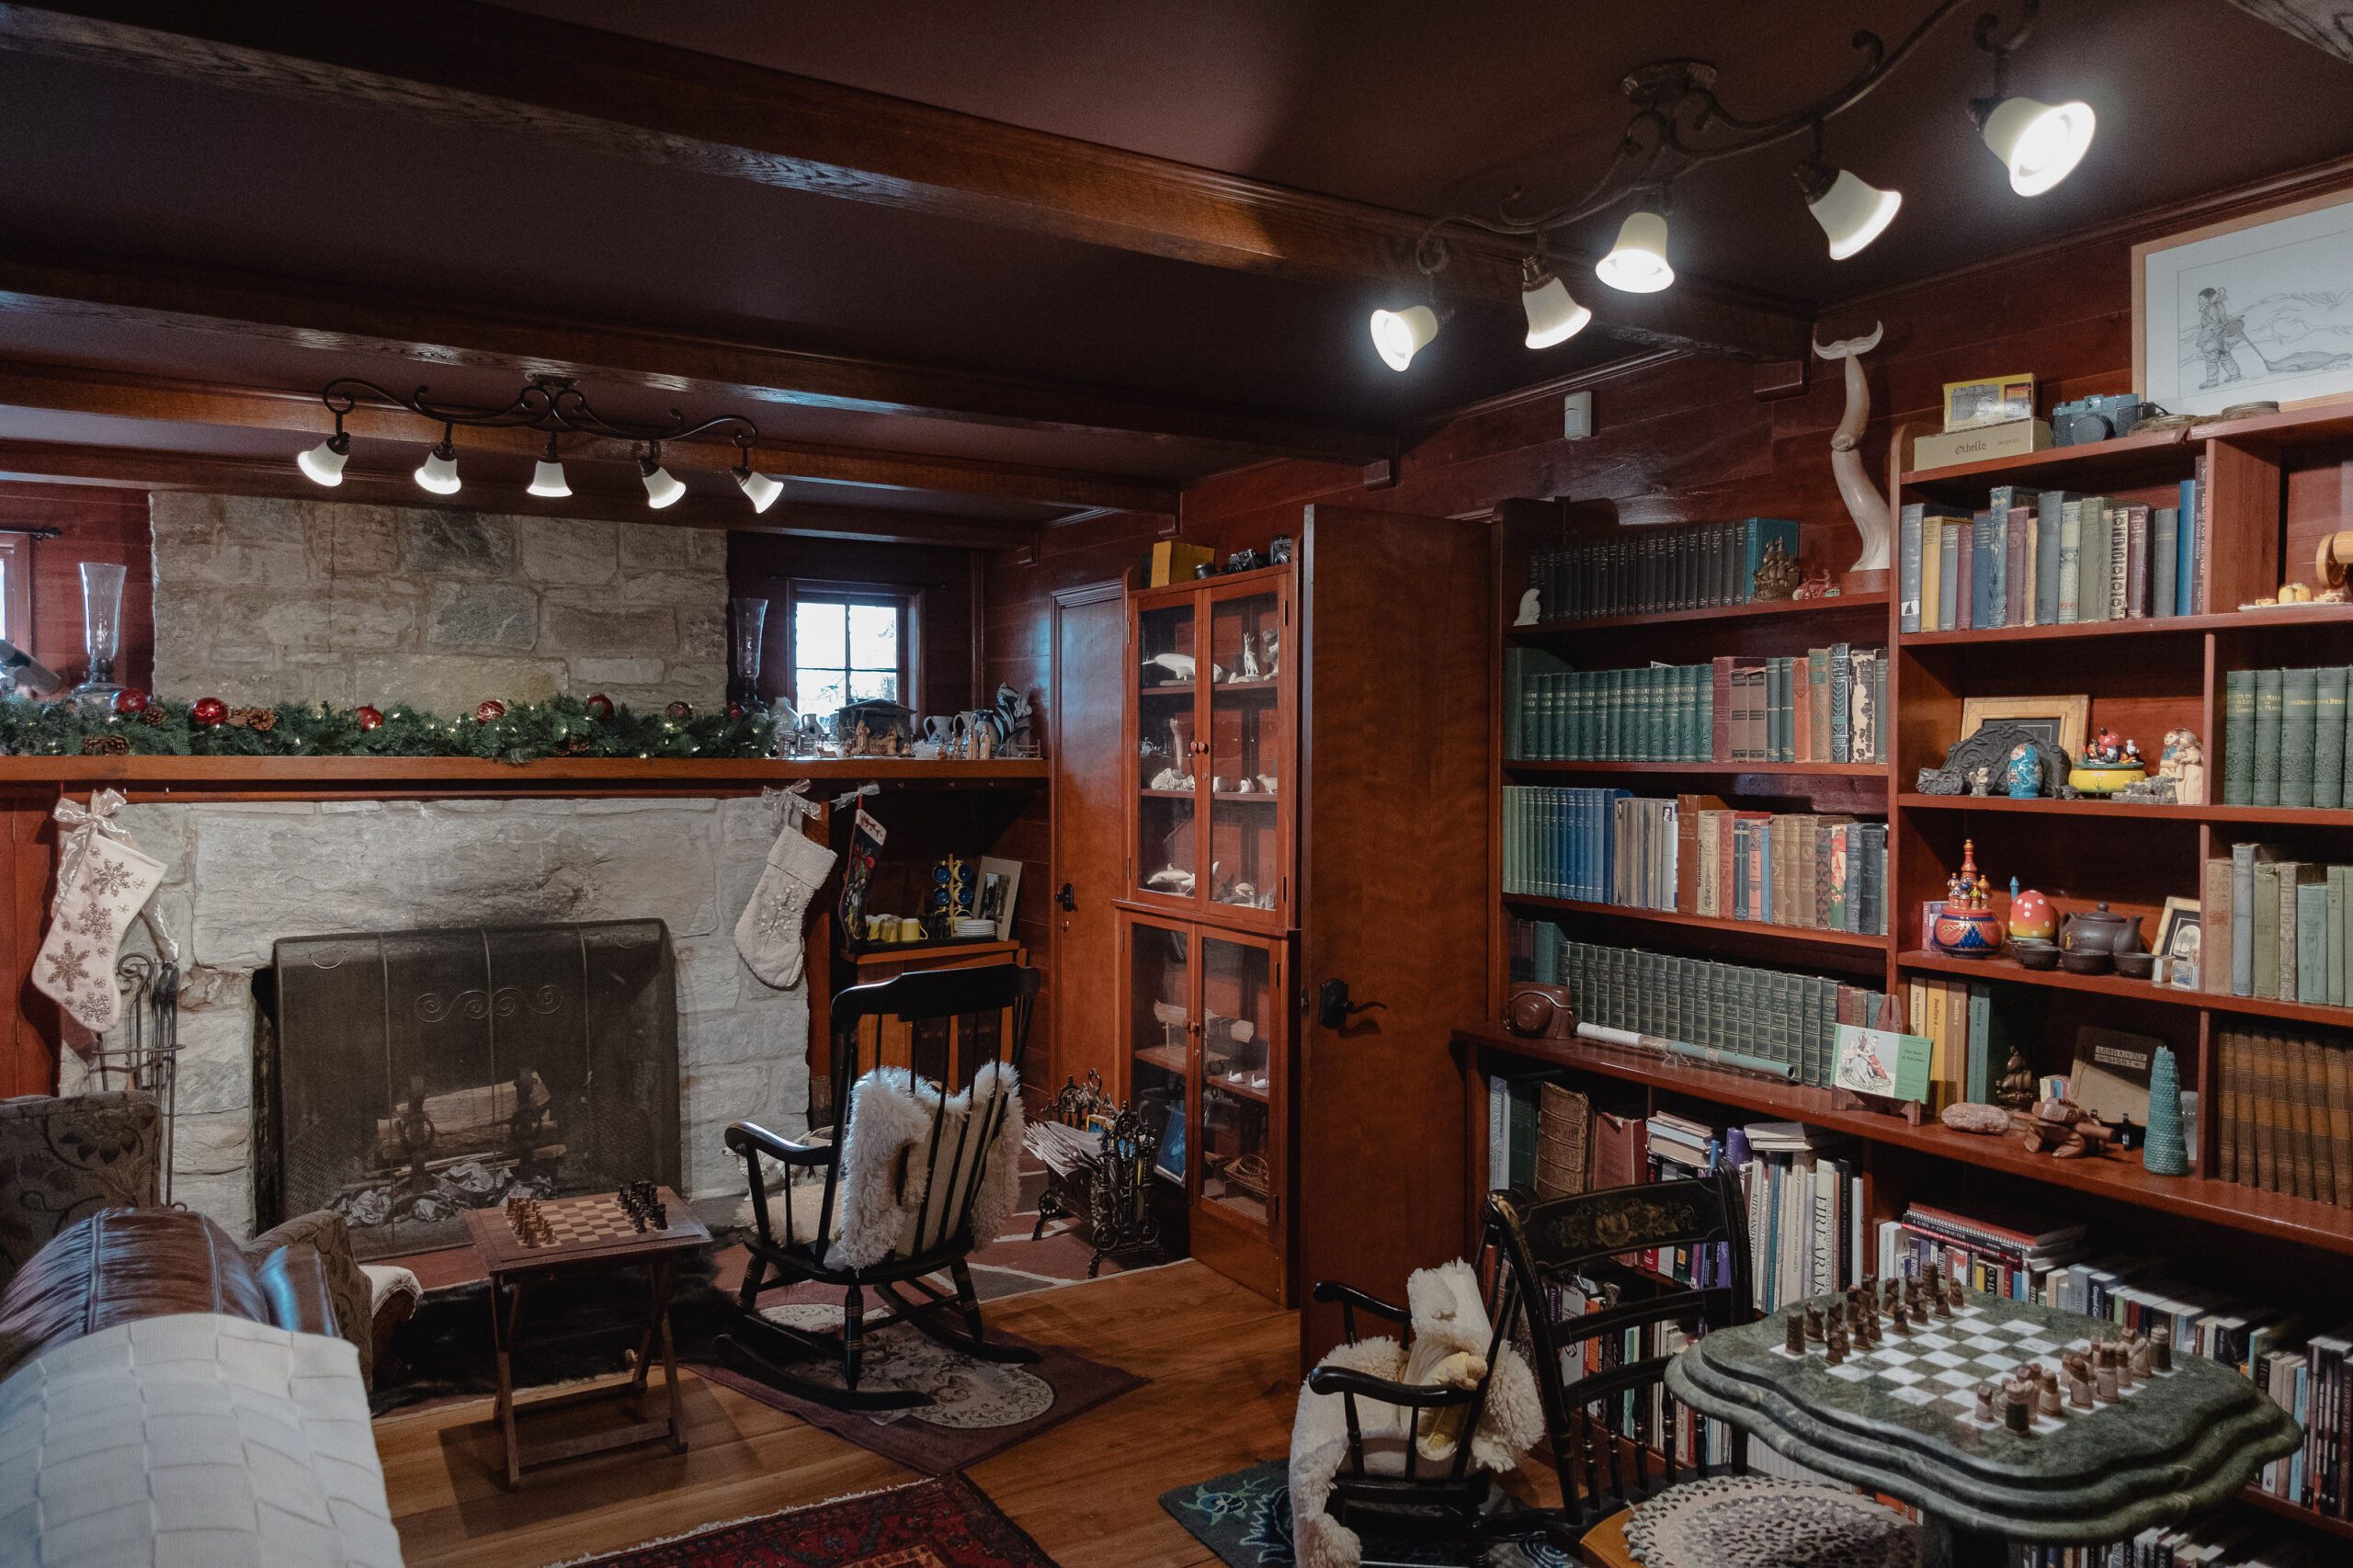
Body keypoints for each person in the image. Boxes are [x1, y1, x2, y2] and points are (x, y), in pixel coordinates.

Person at [2195, 287, 2246, 389]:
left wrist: (2201, 340)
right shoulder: (2219, 305)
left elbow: (2212, 326)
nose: (2198, 301)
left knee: (2211, 361)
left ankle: (2212, 381)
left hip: (2212, 340)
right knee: (2225, 356)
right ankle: (2235, 374)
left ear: (2207, 298)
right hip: (2221, 337)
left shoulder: (2209, 308)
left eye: (2200, 298)